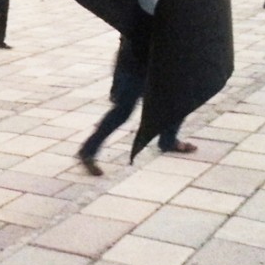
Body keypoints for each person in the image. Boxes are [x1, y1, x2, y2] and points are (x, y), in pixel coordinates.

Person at [77, 37, 196, 176]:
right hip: (137, 66)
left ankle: (168, 140)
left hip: (152, 64)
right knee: (122, 111)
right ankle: (88, 150)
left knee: (177, 99)